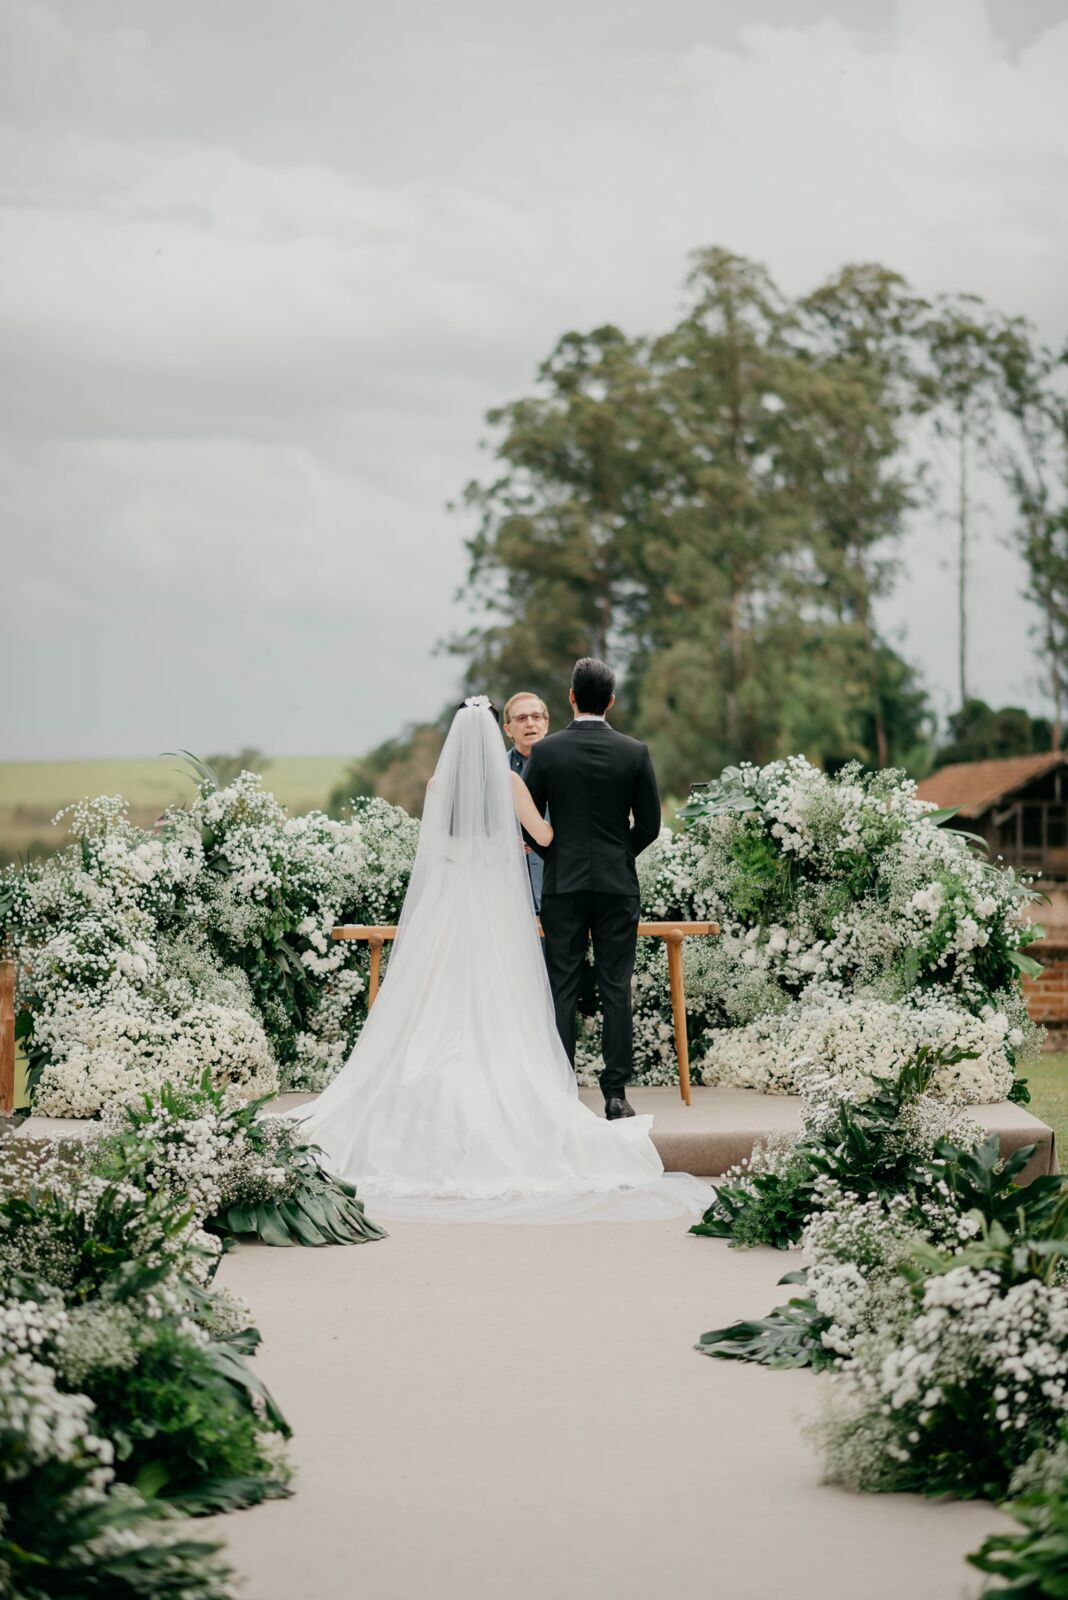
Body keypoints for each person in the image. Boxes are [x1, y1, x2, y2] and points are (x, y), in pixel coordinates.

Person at [288, 694, 709, 1224]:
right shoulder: (510, 784)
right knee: (505, 998)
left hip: (448, 910)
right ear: (498, 734)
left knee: (438, 1000)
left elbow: (433, 849)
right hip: (495, 907)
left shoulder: (438, 789)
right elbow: (544, 835)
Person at [523, 658, 660, 1121]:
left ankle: (562, 1091)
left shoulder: (546, 753)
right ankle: (615, 1094)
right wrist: (619, 856)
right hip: (617, 886)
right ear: (612, 701)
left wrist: (556, 857)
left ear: (571, 697)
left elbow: (530, 824)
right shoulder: (635, 751)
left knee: (561, 986)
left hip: (562, 885)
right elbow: (650, 826)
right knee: (615, 986)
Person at [503, 691, 549, 911]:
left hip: (556, 887)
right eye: (521, 718)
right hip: (506, 891)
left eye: (536, 716)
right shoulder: (493, 772)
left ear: (546, 724)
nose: (529, 723)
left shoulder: (568, 766)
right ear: (507, 729)